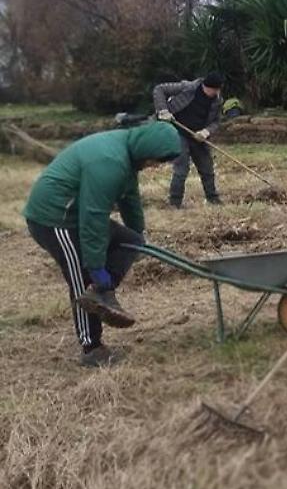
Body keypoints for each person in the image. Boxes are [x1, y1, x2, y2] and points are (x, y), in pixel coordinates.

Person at [23, 122, 182, 366]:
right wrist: (96, 265)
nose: (154, 166)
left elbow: (130, 199)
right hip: (54, 218)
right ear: (145, 149)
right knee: (82, 276)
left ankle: (101, 292)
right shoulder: (110, 162)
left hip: (74, 214)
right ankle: (92, 348)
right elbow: (93, 216)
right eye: (155, 160)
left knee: (130, 240)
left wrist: (138, 235)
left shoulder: (127, 155)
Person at [153, 71, 224, 207]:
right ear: (206, 86)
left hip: (197, 136)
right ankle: (175, 203)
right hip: (177, 131)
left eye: (218, 90)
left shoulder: (217, 101)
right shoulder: (187, 87)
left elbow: (216, 121)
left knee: (207, 168)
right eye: (213, 90)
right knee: (181, 168)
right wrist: (163, 110)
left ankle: (213, 199)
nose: (215, 93)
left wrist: (206, 132)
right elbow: (159, 89)